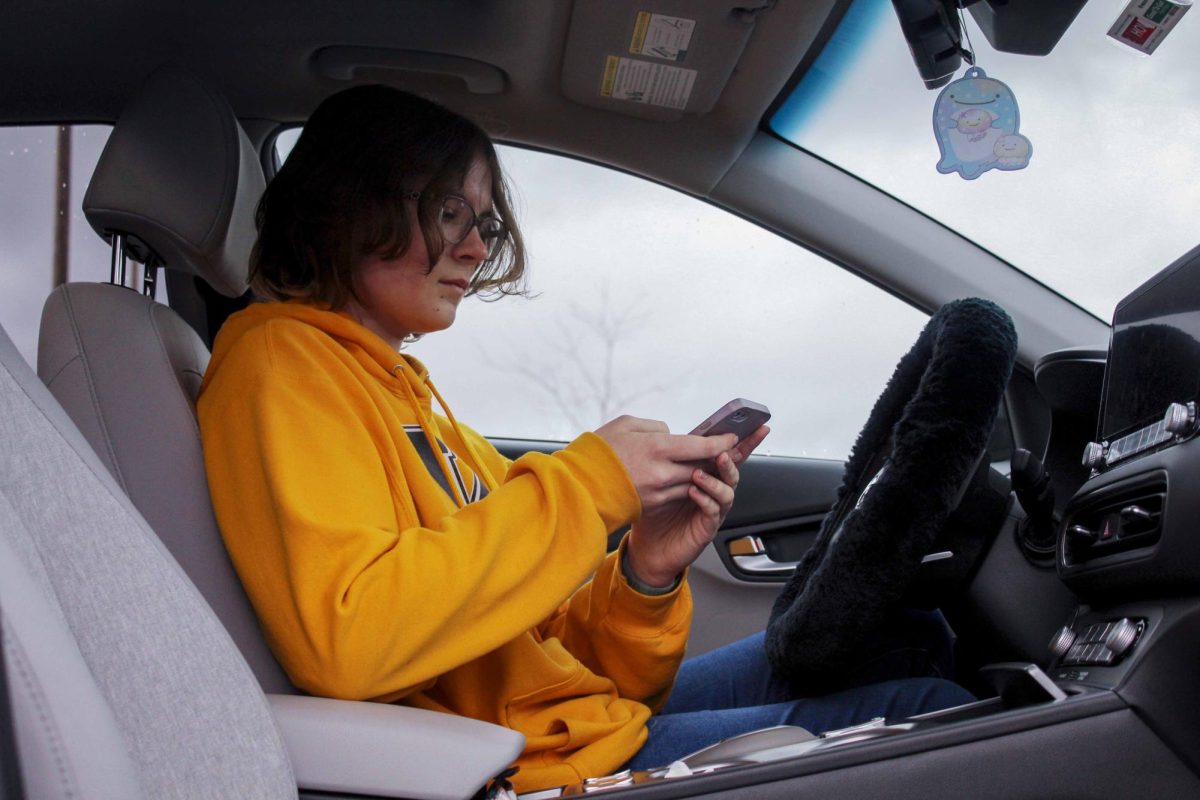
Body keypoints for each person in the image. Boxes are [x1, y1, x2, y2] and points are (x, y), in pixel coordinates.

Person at [197, 85, 973, 794]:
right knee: (933, 710)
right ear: (346, 206)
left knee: (903, 637)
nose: (473, 248)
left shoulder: (408, 396)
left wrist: (644, 570)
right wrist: (589, 483)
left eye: (483, 222)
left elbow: (543, 642)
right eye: (447, 213)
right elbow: (350, 636)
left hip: (567, 729)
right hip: (519, 767)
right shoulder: (281, 367)